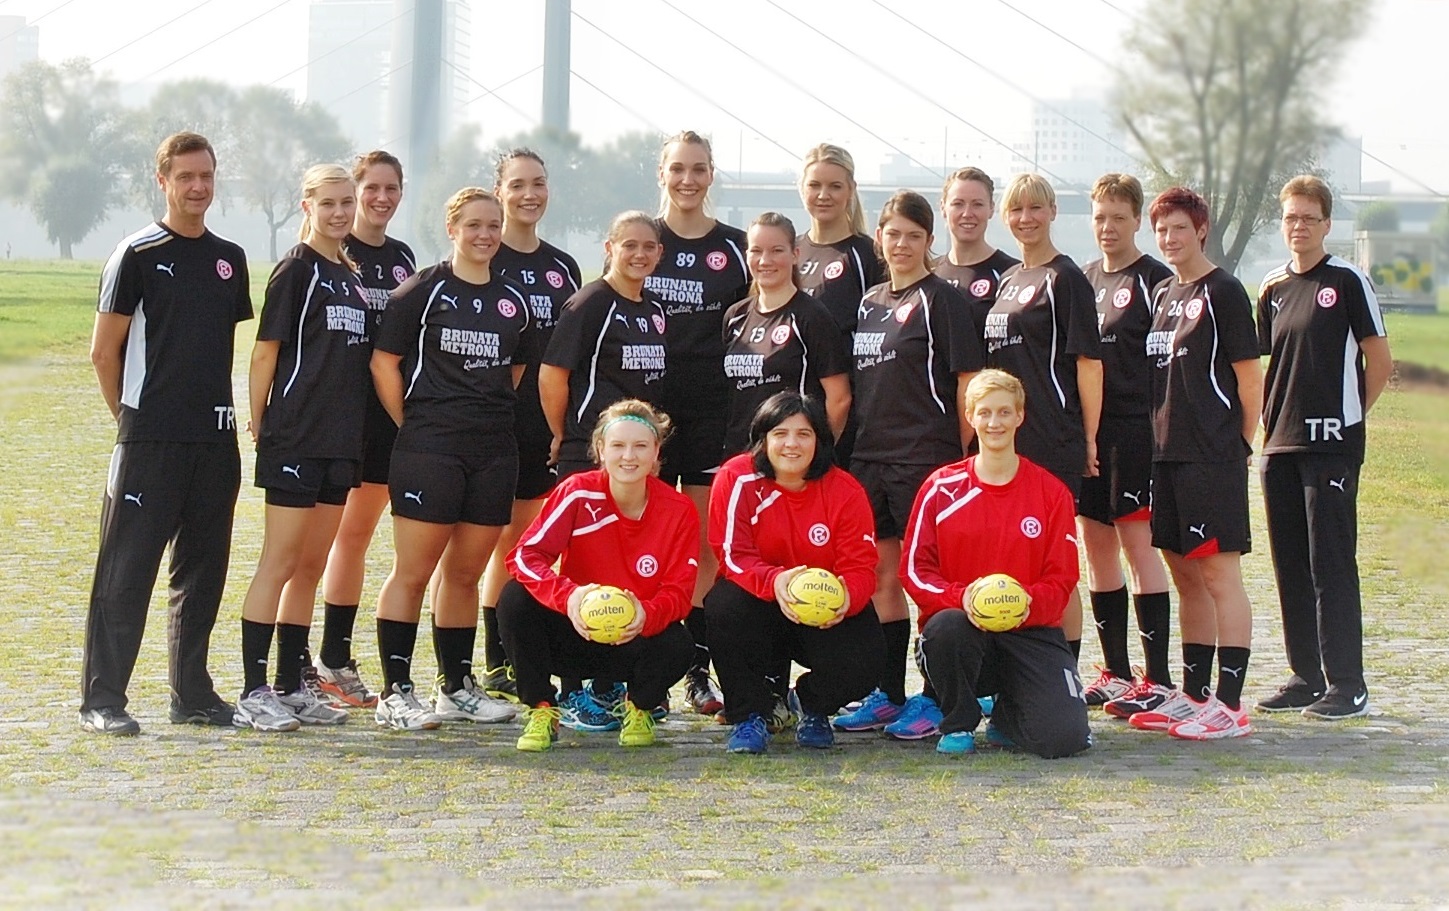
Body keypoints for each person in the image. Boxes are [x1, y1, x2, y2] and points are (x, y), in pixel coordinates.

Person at [80, 131, 252, 735]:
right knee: (126, 572)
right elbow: (105, 353)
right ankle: (103, 700)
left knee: (203, 572)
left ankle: (193, 694)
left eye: (206, 175)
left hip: (215, 441)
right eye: (185, 177)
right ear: (163, 181)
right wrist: (131, 423)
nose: (198, 187)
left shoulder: (231, 258)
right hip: (149, 441)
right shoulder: (136, 254)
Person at [366, 187, 531, 730]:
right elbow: (384, 364)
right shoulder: (422, 291)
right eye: (474, 225)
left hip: (492, 450)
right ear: (453, 228)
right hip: (429, 449)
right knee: (413, 572)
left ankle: (456, 686)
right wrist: (413, 424)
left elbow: (515, 372)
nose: (485, 234)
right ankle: (395, 691)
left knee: (464, 573)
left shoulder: (514, 300)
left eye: (493, 225)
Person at [832, 190, 983, 737]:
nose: (901, 244)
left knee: (927, 582)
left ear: (929, 241)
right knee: (880, 577)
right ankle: (889, 692)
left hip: (924, 457)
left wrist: (955, 454)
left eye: (913, 236)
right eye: (893, 234)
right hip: (871, 457)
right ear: (879, 238)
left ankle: (935, 696)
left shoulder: (943, 299)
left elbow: (967, 382)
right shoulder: (869, 301)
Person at [234, 163, 371, 732]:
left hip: (339, 441)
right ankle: (252, 691)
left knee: (311, 566)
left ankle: (292, 685)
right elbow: (266, 351)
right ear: (306, 206)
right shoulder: (297, 268)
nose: (341, 212)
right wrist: (261, 420)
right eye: (330, 203)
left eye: (348, 203)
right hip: (295, 435)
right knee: (281, 560)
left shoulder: (348, 271)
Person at [1127, 187, 1263, 741]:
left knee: (1217, 574)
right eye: (1162, 230)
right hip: (1167, 453)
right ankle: (1194, 694)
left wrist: (1238, 445)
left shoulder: (1224, 292)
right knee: (1184, 573)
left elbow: (1250, 378)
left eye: (1179, 228)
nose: (1169, 238)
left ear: (1200, 230)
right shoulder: (1162, 291)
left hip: (1212, 455)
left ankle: (1230, 705)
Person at [1255, 175, 1391, 720]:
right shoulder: (1270, 287)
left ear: (1327, 224)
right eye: (1291, 217)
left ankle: (1347, 683)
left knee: (1329, 562)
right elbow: (1265, 362)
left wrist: (1348, 418)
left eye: (1309, 217)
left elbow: (1378, 363)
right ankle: (1305, 676)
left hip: (1331, 447)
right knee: (1290, 563)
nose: (1299, 226)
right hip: (1279, 445)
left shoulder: (1348, 280)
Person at [901, 369, 1091, 758]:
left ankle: (1008, 714)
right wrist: (963, 597)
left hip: (1030, 630)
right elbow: (915, 571)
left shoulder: (1051, 492)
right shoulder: (940, 488)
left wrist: (1025, 603)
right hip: (962, 629)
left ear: (1020, 416)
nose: (994, 423)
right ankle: (958, 721)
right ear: (969, 416)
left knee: (1063, 739)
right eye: (984, 412)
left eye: (1004, 412)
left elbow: (1062, 578)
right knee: (946, 628)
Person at [499, 399, 700, 752]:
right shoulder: (577, 491)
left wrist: (645, 614)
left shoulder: (679, 509)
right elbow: (525, 556)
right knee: (515, 599)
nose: (629, 456)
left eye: (641, 446)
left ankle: (639, 707)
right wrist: (569, 596)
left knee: (680, 643)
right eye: (618, 446)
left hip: (632, 638)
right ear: (600, 451)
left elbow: (679, 594)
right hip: (577, 631)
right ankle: (543, 709)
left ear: (656, 454)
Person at [537, 210, 667, 731]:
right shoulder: (590, 303)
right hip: (591, 456)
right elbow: (553, 376)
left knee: (623, 561)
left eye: (648, 247)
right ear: (609, 246)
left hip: (636, 459)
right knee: (579, 567)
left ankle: (613, 682)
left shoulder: (654, 309)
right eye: (628, 244)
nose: (639, 254)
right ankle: (573, 689)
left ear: (659, 253)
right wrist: (567, 436)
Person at [705, 392, 882, 754]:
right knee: (723, 604)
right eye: (780, 433)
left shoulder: (845, 490)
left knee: (868, 658)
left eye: (804, 434)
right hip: (760, 603)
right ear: (763, 439)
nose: (791, 444)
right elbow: (731, 555)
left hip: (821, 612)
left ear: (819, 441)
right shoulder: (737, 477)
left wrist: (845, 598)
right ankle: (750, 715)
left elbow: (861, 566)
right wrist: (776, 581)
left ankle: (811, 704)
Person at [646, 130, 751, 717]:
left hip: (716, 411)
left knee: (708, 546)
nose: (688, 179)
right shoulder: (642, 237)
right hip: (650, 418)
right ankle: (645, 671)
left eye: (700, 169)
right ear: (661, 173)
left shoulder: (734, 247)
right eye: (678, 168)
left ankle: (697, 670)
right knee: (650, 544)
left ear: (712, 176)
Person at [311, 150, 416, 710]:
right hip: (337, 414)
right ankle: (322, 658)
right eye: (370, 188)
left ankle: (336, 657)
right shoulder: (331, 250)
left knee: (362, 535)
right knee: (337, 539)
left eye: (390, 188)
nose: (380, 198)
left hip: (384, 415)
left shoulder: (403, 258)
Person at [477, 148, 583, 703]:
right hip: (496, 421)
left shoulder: (563, 267)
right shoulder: (484, 256)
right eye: (517, 184)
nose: (529, 194)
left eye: (538, 183)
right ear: (500, 191)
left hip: (552, 426)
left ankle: (529, 654)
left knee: (540, 548)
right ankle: (498, 659)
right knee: (502, 545)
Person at [986, 173, 1103, 661]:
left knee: (1054, 563)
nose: (1025, 219)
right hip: (1004, 443)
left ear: (1053, 211)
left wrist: (1088, 440)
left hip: (1051, 438)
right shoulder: (1009, 278)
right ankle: (1014, 669)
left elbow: (1088, 364)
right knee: (1006, 556)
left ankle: (1064, 671)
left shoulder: (1065, 278)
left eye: (1035, 208)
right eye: (1016, 210)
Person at [1077, 174, 1176, 716]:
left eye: (1118, 217)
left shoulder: (1154, 281)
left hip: (1136, 431)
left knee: (1139, 548)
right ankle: (1115, 671)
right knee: (1096, 548)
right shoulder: (1084, 279)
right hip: (1090, 431)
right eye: (1099, 217)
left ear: (1137, 220)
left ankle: (1156, 677)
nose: (1108, 228)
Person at [722, 212, 850, 456]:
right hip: (741, 455)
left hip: (790, 458)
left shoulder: (811, 316)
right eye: (756, 251)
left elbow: (839, 398)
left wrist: (816, 454)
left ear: (795, 255)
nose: (765, 260)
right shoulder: (735, 316)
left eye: (776, 250)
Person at [934, 166, 1020, 338]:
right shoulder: (928, 272)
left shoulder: (1012, 274)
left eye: (977, 205)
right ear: (943, 208)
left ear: (991, 209)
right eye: (958, 204)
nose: (967, 213)